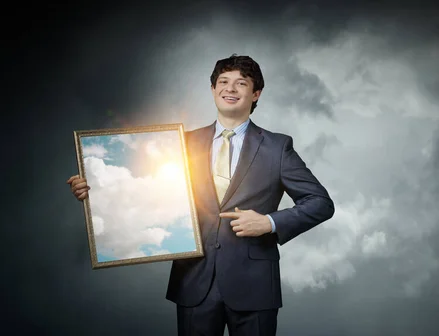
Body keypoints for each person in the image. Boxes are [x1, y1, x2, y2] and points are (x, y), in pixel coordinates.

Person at [66, 54, 335, 336]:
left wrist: (269, 222)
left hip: (254, 285)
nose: (230, 89)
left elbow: (320, 203)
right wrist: (96, 189)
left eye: (240, 83)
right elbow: (145, 192)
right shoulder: (180, 144)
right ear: (212, 90)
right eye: (223, 81)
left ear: (256, 94)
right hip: (194, 281)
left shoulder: (278, 147)